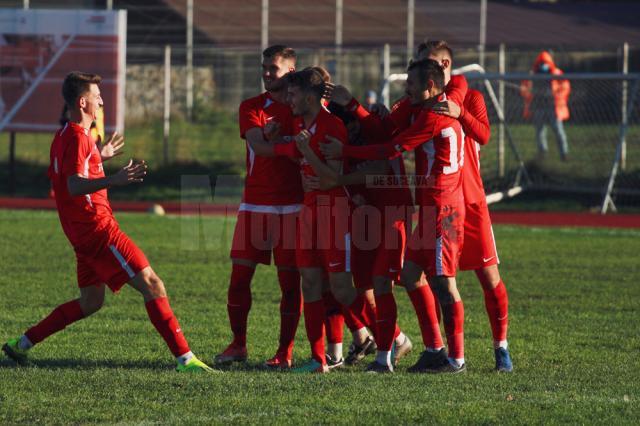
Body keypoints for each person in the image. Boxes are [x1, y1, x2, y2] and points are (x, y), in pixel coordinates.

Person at [2, 72, 213, 373]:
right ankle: (185, 358)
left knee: (90, 302)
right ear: (83, 101)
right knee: (153, 284)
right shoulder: (78, 138)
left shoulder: (64, 136)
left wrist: (100, 156)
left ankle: (20, 344)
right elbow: (75, 185)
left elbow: (68, 175)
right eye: (97, 95)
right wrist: (114, 178)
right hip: (99, 231)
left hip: (81, 237)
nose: (102, 100)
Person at [322, 59, 468, 373]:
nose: (405, 89)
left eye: (411, 83)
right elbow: (386, 128)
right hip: (427, 205)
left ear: (430, 84)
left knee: (444, 283)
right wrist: (356, 106)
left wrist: (344, 153)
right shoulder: (418, 109)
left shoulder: (433, 116)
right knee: (412, 276)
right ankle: (433, 349)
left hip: (443, 208)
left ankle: (456, 359)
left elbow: (390, 149)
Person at [420, 40, 513, 372]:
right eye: (419, 64)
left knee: (488, 277)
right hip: (439, 204)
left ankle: (500, 346)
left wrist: (460, 113)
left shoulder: (470, 97)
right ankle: (440, 350)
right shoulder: (422, 103)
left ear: (446, 66)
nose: (422, 71)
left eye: (428, 64)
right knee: (429, 278)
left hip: (471, 202)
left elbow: (484, 135)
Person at [214, 45, 303, 370]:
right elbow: (258, 146)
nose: (266, 73)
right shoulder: (252, 106)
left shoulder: (302, 109)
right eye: (264, 67)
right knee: (239, 279)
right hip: (255, 204)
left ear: (290, 72)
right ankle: (238, 344)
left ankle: (285, 351)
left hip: (293, 206)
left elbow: (302, 145)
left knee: (290, 284)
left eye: (273, 68)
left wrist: (279, 143)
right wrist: (286, 146)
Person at [520, 50, 571, 161]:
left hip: (553, 106)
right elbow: (525, 89)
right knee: (540, 131)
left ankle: (564, 153)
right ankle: (542, 152)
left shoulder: (556, 73)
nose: (544, 65)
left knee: (558, 130)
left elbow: (565, 87)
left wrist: (556, 95)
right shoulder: (533, 74)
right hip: (538, 106)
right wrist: (530, 94)